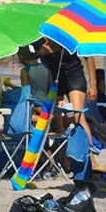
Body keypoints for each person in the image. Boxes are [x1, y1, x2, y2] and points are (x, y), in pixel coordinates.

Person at [35, 38, 97, 175]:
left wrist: (93, 85)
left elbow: (89, 57)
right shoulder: (38, 36)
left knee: (78, 117)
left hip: (74, 75)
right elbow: (26, 59)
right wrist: (40, 52)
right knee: (56, 122)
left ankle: (91, 158)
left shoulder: (66, 33)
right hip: (53, 80)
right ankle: (66, 160)